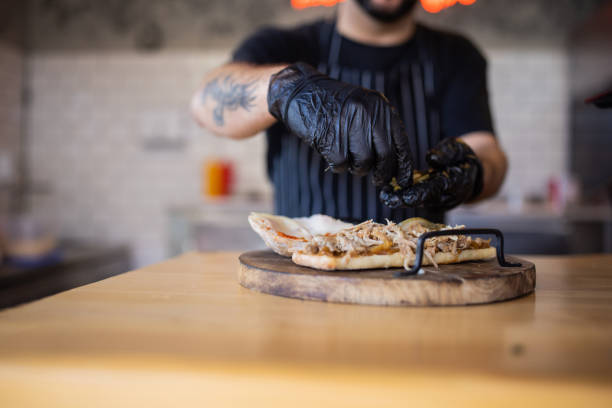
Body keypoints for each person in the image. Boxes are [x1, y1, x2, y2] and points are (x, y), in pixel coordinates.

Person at [191, 0, 507, 224]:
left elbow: (487, 153)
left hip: (417, 283)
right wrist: (286, 90)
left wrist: (474, 174)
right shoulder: (284, 46)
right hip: (302, 286)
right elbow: (205, 103)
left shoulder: (454, 56)